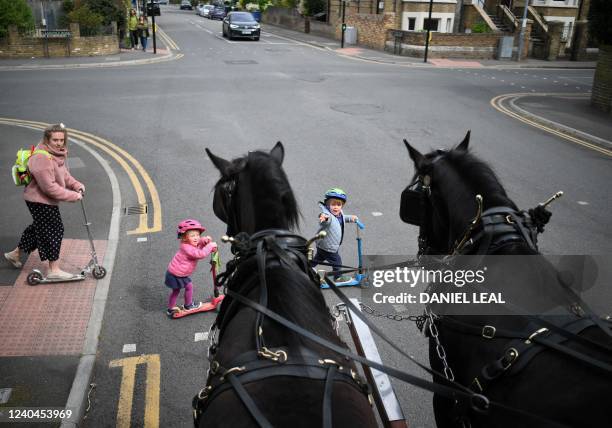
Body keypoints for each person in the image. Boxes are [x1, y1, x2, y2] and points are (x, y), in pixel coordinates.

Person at [4, 124, 84, 279]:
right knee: (54, 230)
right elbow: (49, 188)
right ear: (47, 139)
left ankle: (15, 254)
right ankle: (54, 270)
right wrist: (73, 196)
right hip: (39, 200)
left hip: (43, 200)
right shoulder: (42, 158)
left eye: (62, 139)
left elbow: (64, 175)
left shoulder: (56, 154)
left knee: (39, 228)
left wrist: (77, 185)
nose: (59, 143)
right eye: (55, 140)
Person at [165, 219, 218, 317]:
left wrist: (205, 240)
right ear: (184, 238)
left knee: (176, 290)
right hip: (178, 274)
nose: (196, 238)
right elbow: (200, 254)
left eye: (198, 235)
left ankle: (171, 308)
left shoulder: (190, 243)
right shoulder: (186, 248)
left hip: (175, 272)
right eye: (192, 235)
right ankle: (188, 305)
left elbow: (198, 243)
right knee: (189, 287)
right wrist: (210, 246)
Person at [310, 188, 358, 282]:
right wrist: (324, 218)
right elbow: (325, 221)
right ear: (328, 205)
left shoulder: (339, 214)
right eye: (333, 204)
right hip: (329, 246)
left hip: (323, 244)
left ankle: (307, 267)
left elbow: (342, 218)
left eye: (339, 204)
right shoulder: (328, 215)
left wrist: (350, 218)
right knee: (337, 262)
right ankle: (338, 277)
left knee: (319, 258)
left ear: (342, 205)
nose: (336, 207)